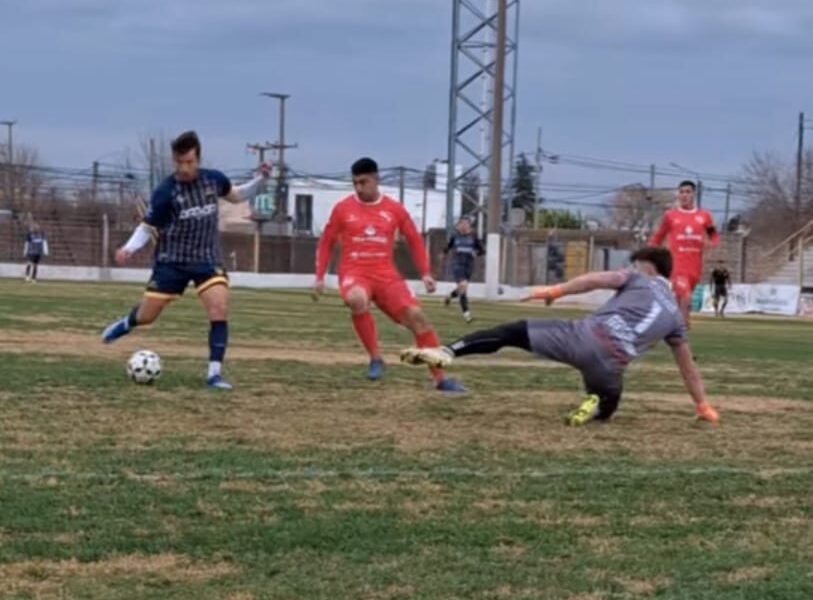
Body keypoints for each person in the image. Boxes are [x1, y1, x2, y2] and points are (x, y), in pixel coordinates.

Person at [401, 247, 720, 426]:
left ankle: (448, 352)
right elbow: (687, 367)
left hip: (581, 338)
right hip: (611, 366)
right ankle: (596, 405)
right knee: (609, 404)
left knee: (510, 333)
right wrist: (703, 405)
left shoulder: (638, 278)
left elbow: (596, 279)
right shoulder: (675, 317)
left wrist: (555, 291)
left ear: (649, 268)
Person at [101, 131, 269, 390]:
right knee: (147, 316)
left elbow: (237, 195)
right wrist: (129, 248)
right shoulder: (165, 191)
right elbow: (147, 227)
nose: (184, 168)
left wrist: (261, 180)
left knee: (219, 309)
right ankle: (127, 323)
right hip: (172, 262)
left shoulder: (213, 180)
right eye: (179, 162)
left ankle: (214, 374)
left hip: (207, 260)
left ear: (198, 159)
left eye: (189, 162)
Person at [313, 157, 464, 392]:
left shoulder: (394, 209)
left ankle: (440, 379)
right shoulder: (343, 209)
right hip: (355, 272)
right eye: (355, 183)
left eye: (363, 182)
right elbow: (327, 241)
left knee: (418, 318)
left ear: (376, 180)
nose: (359, 188)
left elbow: (414, 239)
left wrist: (425, 273)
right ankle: (375, 358)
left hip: (386, 276)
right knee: (356, 299)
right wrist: (320, 275)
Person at [648, 180, 720, 327]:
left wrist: (712, 244)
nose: (684, 195)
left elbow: (713, 235)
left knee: (682, 298)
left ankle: (672, 324)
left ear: (694, 194)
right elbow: (658, 237)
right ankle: (681, 326)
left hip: (695, 266)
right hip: (676, 264)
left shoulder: (704, 216)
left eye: (688, 192)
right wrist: (648, 254)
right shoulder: (671, 216)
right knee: (685, 296)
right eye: (681, 192)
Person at [443, 216, 484, 323]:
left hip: (468, 266)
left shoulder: (473, 237)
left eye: (466, 224)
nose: (464, 226)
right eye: (462, 223)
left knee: (462, 289)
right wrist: (444, 253)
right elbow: (447, 247)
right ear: (459, 225)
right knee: (463, 286)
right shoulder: (455, 236)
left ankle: (450, 296)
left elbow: (482, 250)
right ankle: (467, 316)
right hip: (457, 265)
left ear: (469, 226)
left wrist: (476, 253)